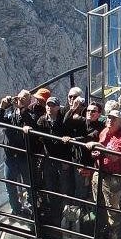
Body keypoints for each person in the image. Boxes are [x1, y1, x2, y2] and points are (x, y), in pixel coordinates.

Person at [87, 109, 121, 239]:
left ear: (120, 123)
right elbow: (102, 151)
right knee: (97, 203)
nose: (109, 121)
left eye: (113, 119)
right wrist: (96, 153)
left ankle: (114, 237)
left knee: (112, 208)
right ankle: (100, 230)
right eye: (109, 118)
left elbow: (114, 156)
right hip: (99, 172)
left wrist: (97, 146)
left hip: (113, 177)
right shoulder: (104, 132)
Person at [0, 90, 37, 217]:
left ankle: (32, 209)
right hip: (10, 156)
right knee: (10, 184)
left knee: (29, 184)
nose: (20, 100)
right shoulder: (11, 114)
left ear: (29, 101)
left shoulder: (31, 114)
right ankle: (16, 209)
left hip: (24, 156)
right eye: (19, 98)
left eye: (24, 98)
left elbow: (31, 123)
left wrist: (22, 108)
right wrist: (2, 107)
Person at [36, 96, 71, 226]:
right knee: (50, 186)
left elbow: (68, 139)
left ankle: (65, 216)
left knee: (64, 187)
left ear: (57, 107)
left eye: (52, 105)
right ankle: (54, 215)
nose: (49, 108)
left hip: (61, 158)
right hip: (48, 159)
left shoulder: (63, 121)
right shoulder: (42, 121)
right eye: (48, 105)